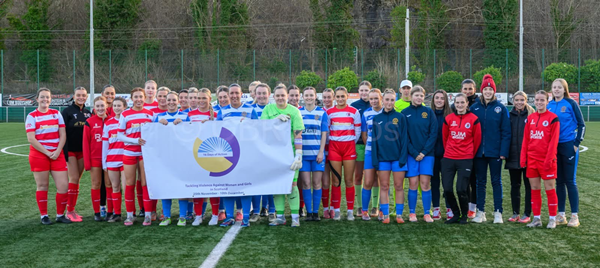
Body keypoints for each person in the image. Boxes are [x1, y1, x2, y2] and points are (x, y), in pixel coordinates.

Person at [260, 84, 305, 227]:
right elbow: (261, 129)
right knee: (277, 185)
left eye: (283, 95)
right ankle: (280, 216)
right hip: (273, 155)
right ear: (273, 97)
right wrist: (274, 121)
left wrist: (298, 154)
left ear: (287, 97)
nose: (280, 98)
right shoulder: (268, 109)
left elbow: (297, 134)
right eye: (277, 95)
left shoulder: (294, 111)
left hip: (290, 153)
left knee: (292, 185)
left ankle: (295, 217)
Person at [26, 88, 72, 225]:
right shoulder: (31, 116)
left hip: (57, 154)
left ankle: (60, 215)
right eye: (42, 97)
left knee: (63, 186)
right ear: (37, 99)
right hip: (39, 155)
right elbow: (31, 138)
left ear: (50, 99)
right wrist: (47, 152)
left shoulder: (56, 114)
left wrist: (58, 151)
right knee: (42, 185)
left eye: (47, 97)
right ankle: (44, 216)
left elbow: (63, 134)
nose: (45, 99)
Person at [470, 74, 511, 224]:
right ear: (481, 90)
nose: (488, 91)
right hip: (479, 153)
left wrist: (503, 152)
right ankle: (481, 212)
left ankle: (498, 212)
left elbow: (506, 132)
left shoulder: (501, 108)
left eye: (490, 89)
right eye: (485, 89)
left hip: (495, 153)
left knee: (496, 182)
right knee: (480, 182)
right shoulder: (474, 108)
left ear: (494, 91)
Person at [217, 83, 258, 228]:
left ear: (242, 94)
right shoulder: (222, 111)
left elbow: (258, 130)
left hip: (246, 153)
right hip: (228, 154)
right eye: (231, 93)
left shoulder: (250, 109)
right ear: (228, 95)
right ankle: (229, 217)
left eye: (237, 93)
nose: (234, 96)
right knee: (228, 185)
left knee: (245, 185)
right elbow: (216, 131)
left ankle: (245, 217)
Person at [547, 78, 586, 227]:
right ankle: (561, 214)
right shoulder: (549, 105)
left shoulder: (571, 103)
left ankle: (574, 216)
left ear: (564, 89)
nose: (556, 90)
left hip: (569, 146)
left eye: (559, 87)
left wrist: (576, 144)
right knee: (559, 181)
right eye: (554, 87)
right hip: (554, 148)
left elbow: (582, 125)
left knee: (570, 181)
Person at [521, 90, 560, 229]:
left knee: (550, 189)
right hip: (532, 160)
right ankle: (536, 218)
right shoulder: (530, 118)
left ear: (547, 102)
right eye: (537, 100)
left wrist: (549, 160)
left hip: (547, 161)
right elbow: (526, 139)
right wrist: (523, 158)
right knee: (534, 189)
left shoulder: (553, 118)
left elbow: (553, 142)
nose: (539, 102)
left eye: (542, 100)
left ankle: (552, 219)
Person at [442, 93, 482, 224]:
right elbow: (445, 138)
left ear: (467, 104)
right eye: (457, 103)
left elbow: (477, 140)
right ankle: (455, 214)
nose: (459, 105)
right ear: (454, 103)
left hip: (465, 159)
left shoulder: (474, 119)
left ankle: (464, 215)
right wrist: (449, 151)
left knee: (461, 189)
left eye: (462, 102)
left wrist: (468, 153)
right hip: (449, 158)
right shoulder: (448, 118)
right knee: (447, 189)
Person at [370, 89, 408, 224]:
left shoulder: (401, 117)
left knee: (399, 186)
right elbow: (374, 141)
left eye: (392, 100)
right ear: (382, 100)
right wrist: (375, 159)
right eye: (387, 99)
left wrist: (403, 158)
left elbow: (404, 139)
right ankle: (385, 215)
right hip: (382, 160)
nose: (389, 102)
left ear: (395, 100)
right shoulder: (376, 118)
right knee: (384, 186)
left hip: (398, 159)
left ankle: (399, 215)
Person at [153, 91, 190, 226]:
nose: (171, 102)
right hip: (164, 158)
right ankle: (166, 217)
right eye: (169, 100)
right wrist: (157, 124)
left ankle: (182, 217)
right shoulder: (157, 117)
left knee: (181, 187)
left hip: (181, 157)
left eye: (174, 100)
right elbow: (151, 134)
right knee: (165, 186)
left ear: (178, 101)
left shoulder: (185, 116)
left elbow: (192, 135)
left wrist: (184, 125)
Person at [401, 86, 437, 223]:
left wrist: (423, 152)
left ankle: (427, 213)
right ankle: (412, 213)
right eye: (416, 95)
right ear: (410, 96)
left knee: (425, 183)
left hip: (427, 155)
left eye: (421, 96)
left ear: (424, 98)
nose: (419, 98)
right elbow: (404, 136)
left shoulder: (429, 112)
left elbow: (433, 134)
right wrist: (415, 152)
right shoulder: (405, 113)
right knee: (413, 183)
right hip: (411, 155)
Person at [118, 87, 154, 226]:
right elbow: (120, 135)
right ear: (131, 99)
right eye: (136, 97)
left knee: (145, 183)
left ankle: (148, 215)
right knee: (129, 184)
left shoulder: (150, 114)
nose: (138, 99)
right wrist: (135, 141)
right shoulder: (125, 114)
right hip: (129, 153)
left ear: (144, 98)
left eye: (141, 97)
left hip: (145, 154)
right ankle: (130, 215)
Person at [326, 87, 362, 221]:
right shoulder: (329, 112)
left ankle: (350, 211)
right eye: (338, 96)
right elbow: (328, 131)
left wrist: (349, 141)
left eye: (343, 96)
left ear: (347, 97)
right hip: (334, 148)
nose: (340, 99)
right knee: (335, 181)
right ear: (334, 97)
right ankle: (336, 211)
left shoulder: (354, 112)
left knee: (349, 180)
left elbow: (357, 131)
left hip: (349, 149)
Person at [187, 88, 221, 226]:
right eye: (198, 98)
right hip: (195, 154)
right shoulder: (190, 114)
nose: (200, 101)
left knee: (213, 186)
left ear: (209, 99)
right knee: (198, 185)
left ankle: (214, 215)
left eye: (203, 98)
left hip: (212, 154)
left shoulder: (217, 114)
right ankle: (198, 215)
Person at [299, 87, 328, 222]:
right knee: (306, 183)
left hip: (317, 155)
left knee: (317, 183)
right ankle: (308, 212)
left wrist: (321, 151)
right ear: (303, 97)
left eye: (311, 95)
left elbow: (324, 134)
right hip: (303, 155)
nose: (309, 97)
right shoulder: (298, 112)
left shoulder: (322, 113)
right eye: (306, 95)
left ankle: (316, 212)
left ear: (315, 96)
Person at [62, 86, 91, 222]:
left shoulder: (88, 113)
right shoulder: (67, 112)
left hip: (83, 152)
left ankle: (72, 209)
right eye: (78, 95)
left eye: (83, 95)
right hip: (71, 151)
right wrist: (65, 152)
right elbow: (62, 133)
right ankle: (69, 211)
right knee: (73, 179)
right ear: (73, 96)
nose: (81, 97)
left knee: (77, 180)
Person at [505, 91, 534, 223]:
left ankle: (527, 213)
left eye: (522, 100)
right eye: (516, 100)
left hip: (528, 157)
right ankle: (515, 212)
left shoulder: (531, 115)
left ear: (526, 100)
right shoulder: (508, 115)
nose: (519, 102)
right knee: (514, 185)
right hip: (513, 156)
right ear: (513, 101)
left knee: (529, 186)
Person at [452, 79, 480, 217]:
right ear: (461, 89)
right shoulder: (454, 106)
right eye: (465, 89)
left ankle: (472, 207)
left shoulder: (479, 104)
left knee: (473, 180)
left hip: (473, 149)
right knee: (462, 181)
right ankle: (462, 206)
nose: (468, 91)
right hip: (458, 152)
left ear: (474, 89)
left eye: (470, 89)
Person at [83, 96, 113, 221]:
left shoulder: (113, 120)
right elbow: (85, 143)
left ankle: (111, 211)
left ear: (106, 106)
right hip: (95, 159)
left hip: (110, 159)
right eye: (98, 106)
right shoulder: (89, 122)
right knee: (96, 184)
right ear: (94, 108)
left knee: (109, 184)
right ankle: (97, 212)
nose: (100, 108)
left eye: (102, 105)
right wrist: (87, 163)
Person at [250, 84, 275, 222]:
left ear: (269, 93)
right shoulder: (251, 109)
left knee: (271, 181)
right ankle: (255, 211)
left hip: (272, 150)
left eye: (264, 93)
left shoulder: (274, 108)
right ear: (255, 94)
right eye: (259, 93)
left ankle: (272, 210)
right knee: (256, 182)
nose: (261, 96)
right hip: (256, 151)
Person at [102, 97, 127, 223]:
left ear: (124, 107)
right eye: (115, 106)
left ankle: (130, 213)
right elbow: (105, 144)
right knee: (115, 187)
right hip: (112, 159)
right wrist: (104, 162)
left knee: (126, 186)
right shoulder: (108, 123)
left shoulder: (128, 120)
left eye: (119, 105)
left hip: (126, 159)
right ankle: (117, 214)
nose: (117, 108)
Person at [430, 89, 453, 220]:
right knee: (434, 183)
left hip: (447, 155)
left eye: (442, 98)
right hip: (432, 155)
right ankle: (436, 208)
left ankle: (449, 208)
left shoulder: (450, 115)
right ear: (433, 100)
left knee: (447, 183)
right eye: (437, 98)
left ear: (446, 100)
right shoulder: (428, 114)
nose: (439, 100)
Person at [360, 88, 383, 220]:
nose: (374, 101)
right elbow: (364, 134)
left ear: (381, 98)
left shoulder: (386, 112)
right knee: (368, 181)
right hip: (370, 152)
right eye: (371, 98)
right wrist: (371, 146)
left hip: (384, 154)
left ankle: (381, 210)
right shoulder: (366, 113)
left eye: (376, 98)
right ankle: (364, 211)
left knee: (383, 182)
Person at [351, 81, 372, 216]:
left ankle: (375, 206)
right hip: (359, 145)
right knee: (358, 175)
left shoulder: (375, 104)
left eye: (366, 90)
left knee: (374, 177)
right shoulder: (354, 107)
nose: (364, 93)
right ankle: (359, 206)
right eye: (362, 90)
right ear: (359, 91)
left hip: (373, 146)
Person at [320, 88, 335, 219]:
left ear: (333, 97)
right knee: (325, 182)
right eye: (324, 97)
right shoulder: (320, 112)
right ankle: (325, 208)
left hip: (336, 149)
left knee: (336, 180)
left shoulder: (337, 111)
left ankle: (334, 207)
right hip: (323, 150)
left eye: (329, 97)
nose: (327, 100)